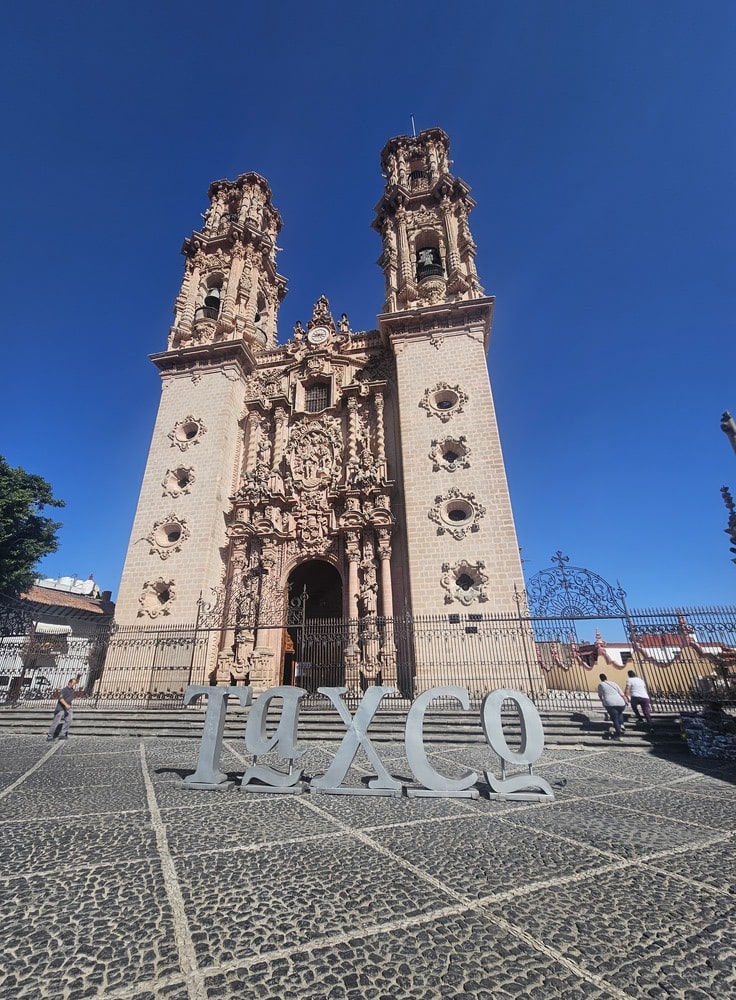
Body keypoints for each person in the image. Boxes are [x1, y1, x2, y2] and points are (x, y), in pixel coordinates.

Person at [46, 677, 78, 741]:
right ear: (69, 683)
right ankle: (50, 736)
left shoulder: (72, 690)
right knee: (56, 722)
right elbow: (61, 698)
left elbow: (77, 681)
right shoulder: (64, 690)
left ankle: (62, 734)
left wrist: (78, 676)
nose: (74, 685)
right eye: (73, 683)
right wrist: (66, 705)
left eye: (75, 683)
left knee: (69, 720)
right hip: (61, 708)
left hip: (68, 709)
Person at [597, 673, 627, 740]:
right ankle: (621, 724)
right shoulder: (614, 683)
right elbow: (622, 694)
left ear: (600, 678)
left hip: (610, 702)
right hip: (621, 702)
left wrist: (602, 701)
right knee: (619, 712)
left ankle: (618, 735)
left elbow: (600, 695)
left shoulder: (601, 684)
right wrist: (626, 700)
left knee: (615, 718)